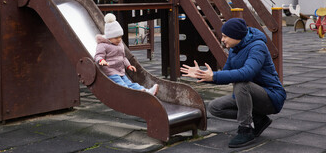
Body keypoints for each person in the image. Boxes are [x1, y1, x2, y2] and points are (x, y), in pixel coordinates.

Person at [181, 18, 286, 148]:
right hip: (250, 95)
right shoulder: (234, 49)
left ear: (237, 36)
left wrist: (214, 75)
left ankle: (246, 129)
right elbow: (226, 74)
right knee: (214, 107)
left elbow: (248, 72)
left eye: (225, 36)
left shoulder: (258, 47)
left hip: (271, 97)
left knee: (241, 84)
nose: (222, 39)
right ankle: (259, 119)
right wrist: (203, 75)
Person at [94, 13, 159, 95]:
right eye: (116, 38)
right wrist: (101, 60)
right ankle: (133, 94)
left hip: (120, 71)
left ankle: (146, 92)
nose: (119, 39)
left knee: (130, 83)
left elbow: (123, 57)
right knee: (122, 85)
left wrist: (128, 65)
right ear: (109, 37)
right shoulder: (103, 45)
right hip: (110, 71)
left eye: (120, 37)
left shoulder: (120, 44)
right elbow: (98, 55)